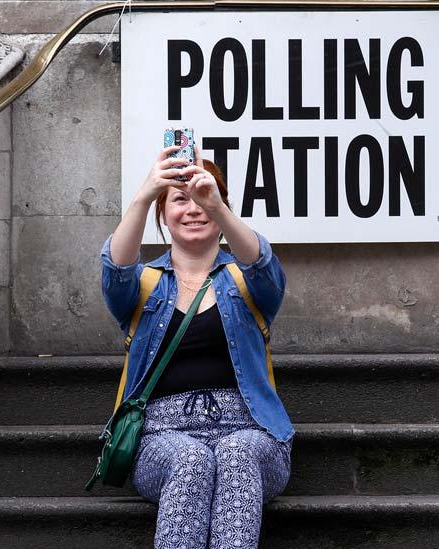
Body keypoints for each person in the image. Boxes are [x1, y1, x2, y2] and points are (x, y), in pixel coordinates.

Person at [100, 141, 293, 548]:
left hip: (251, 431)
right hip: (160, 438)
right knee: (192, 459)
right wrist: (145, 193)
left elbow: (263, 266)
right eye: (179, 200)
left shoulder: (245, 281)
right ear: (163, 216)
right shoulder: (147, 286)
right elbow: (115, 269)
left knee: (237, 453)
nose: (193, 209)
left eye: (203, 198)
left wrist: (218, 204)